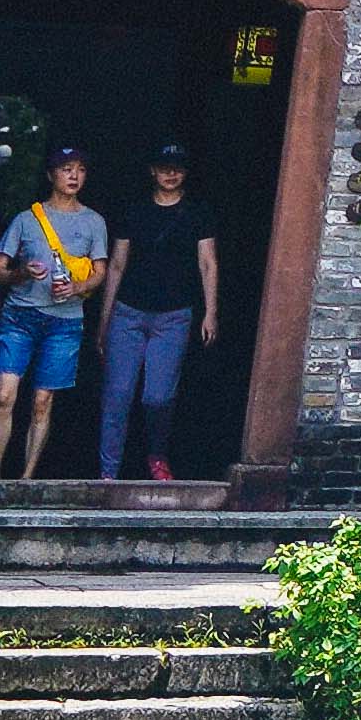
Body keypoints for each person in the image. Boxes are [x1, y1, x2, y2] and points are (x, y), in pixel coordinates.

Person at [94, 143, 222, 483]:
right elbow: (117, 266)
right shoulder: (134, 211)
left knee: (158, 396)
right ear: (153, 170)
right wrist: (104, 321)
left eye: (177, 167)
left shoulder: (198, 213)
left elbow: (208, 264)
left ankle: (157, 455)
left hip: (174, 316)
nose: (170, 173)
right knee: (117, 395)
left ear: (186, 172)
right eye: (164, 166)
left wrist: (211, 312)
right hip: (128, 313)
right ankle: (108, 473)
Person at [0, 143, 110, 482]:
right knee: (4, 395)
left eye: (81, 169)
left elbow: (101, 272)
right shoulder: (26, 220)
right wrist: (21, 272)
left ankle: (26, 478)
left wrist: (77, 288)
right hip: (20, 316)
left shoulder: (94, 222)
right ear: (51, 175)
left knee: (42, 400)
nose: (74, 175)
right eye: (67, 169)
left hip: (65, 321)